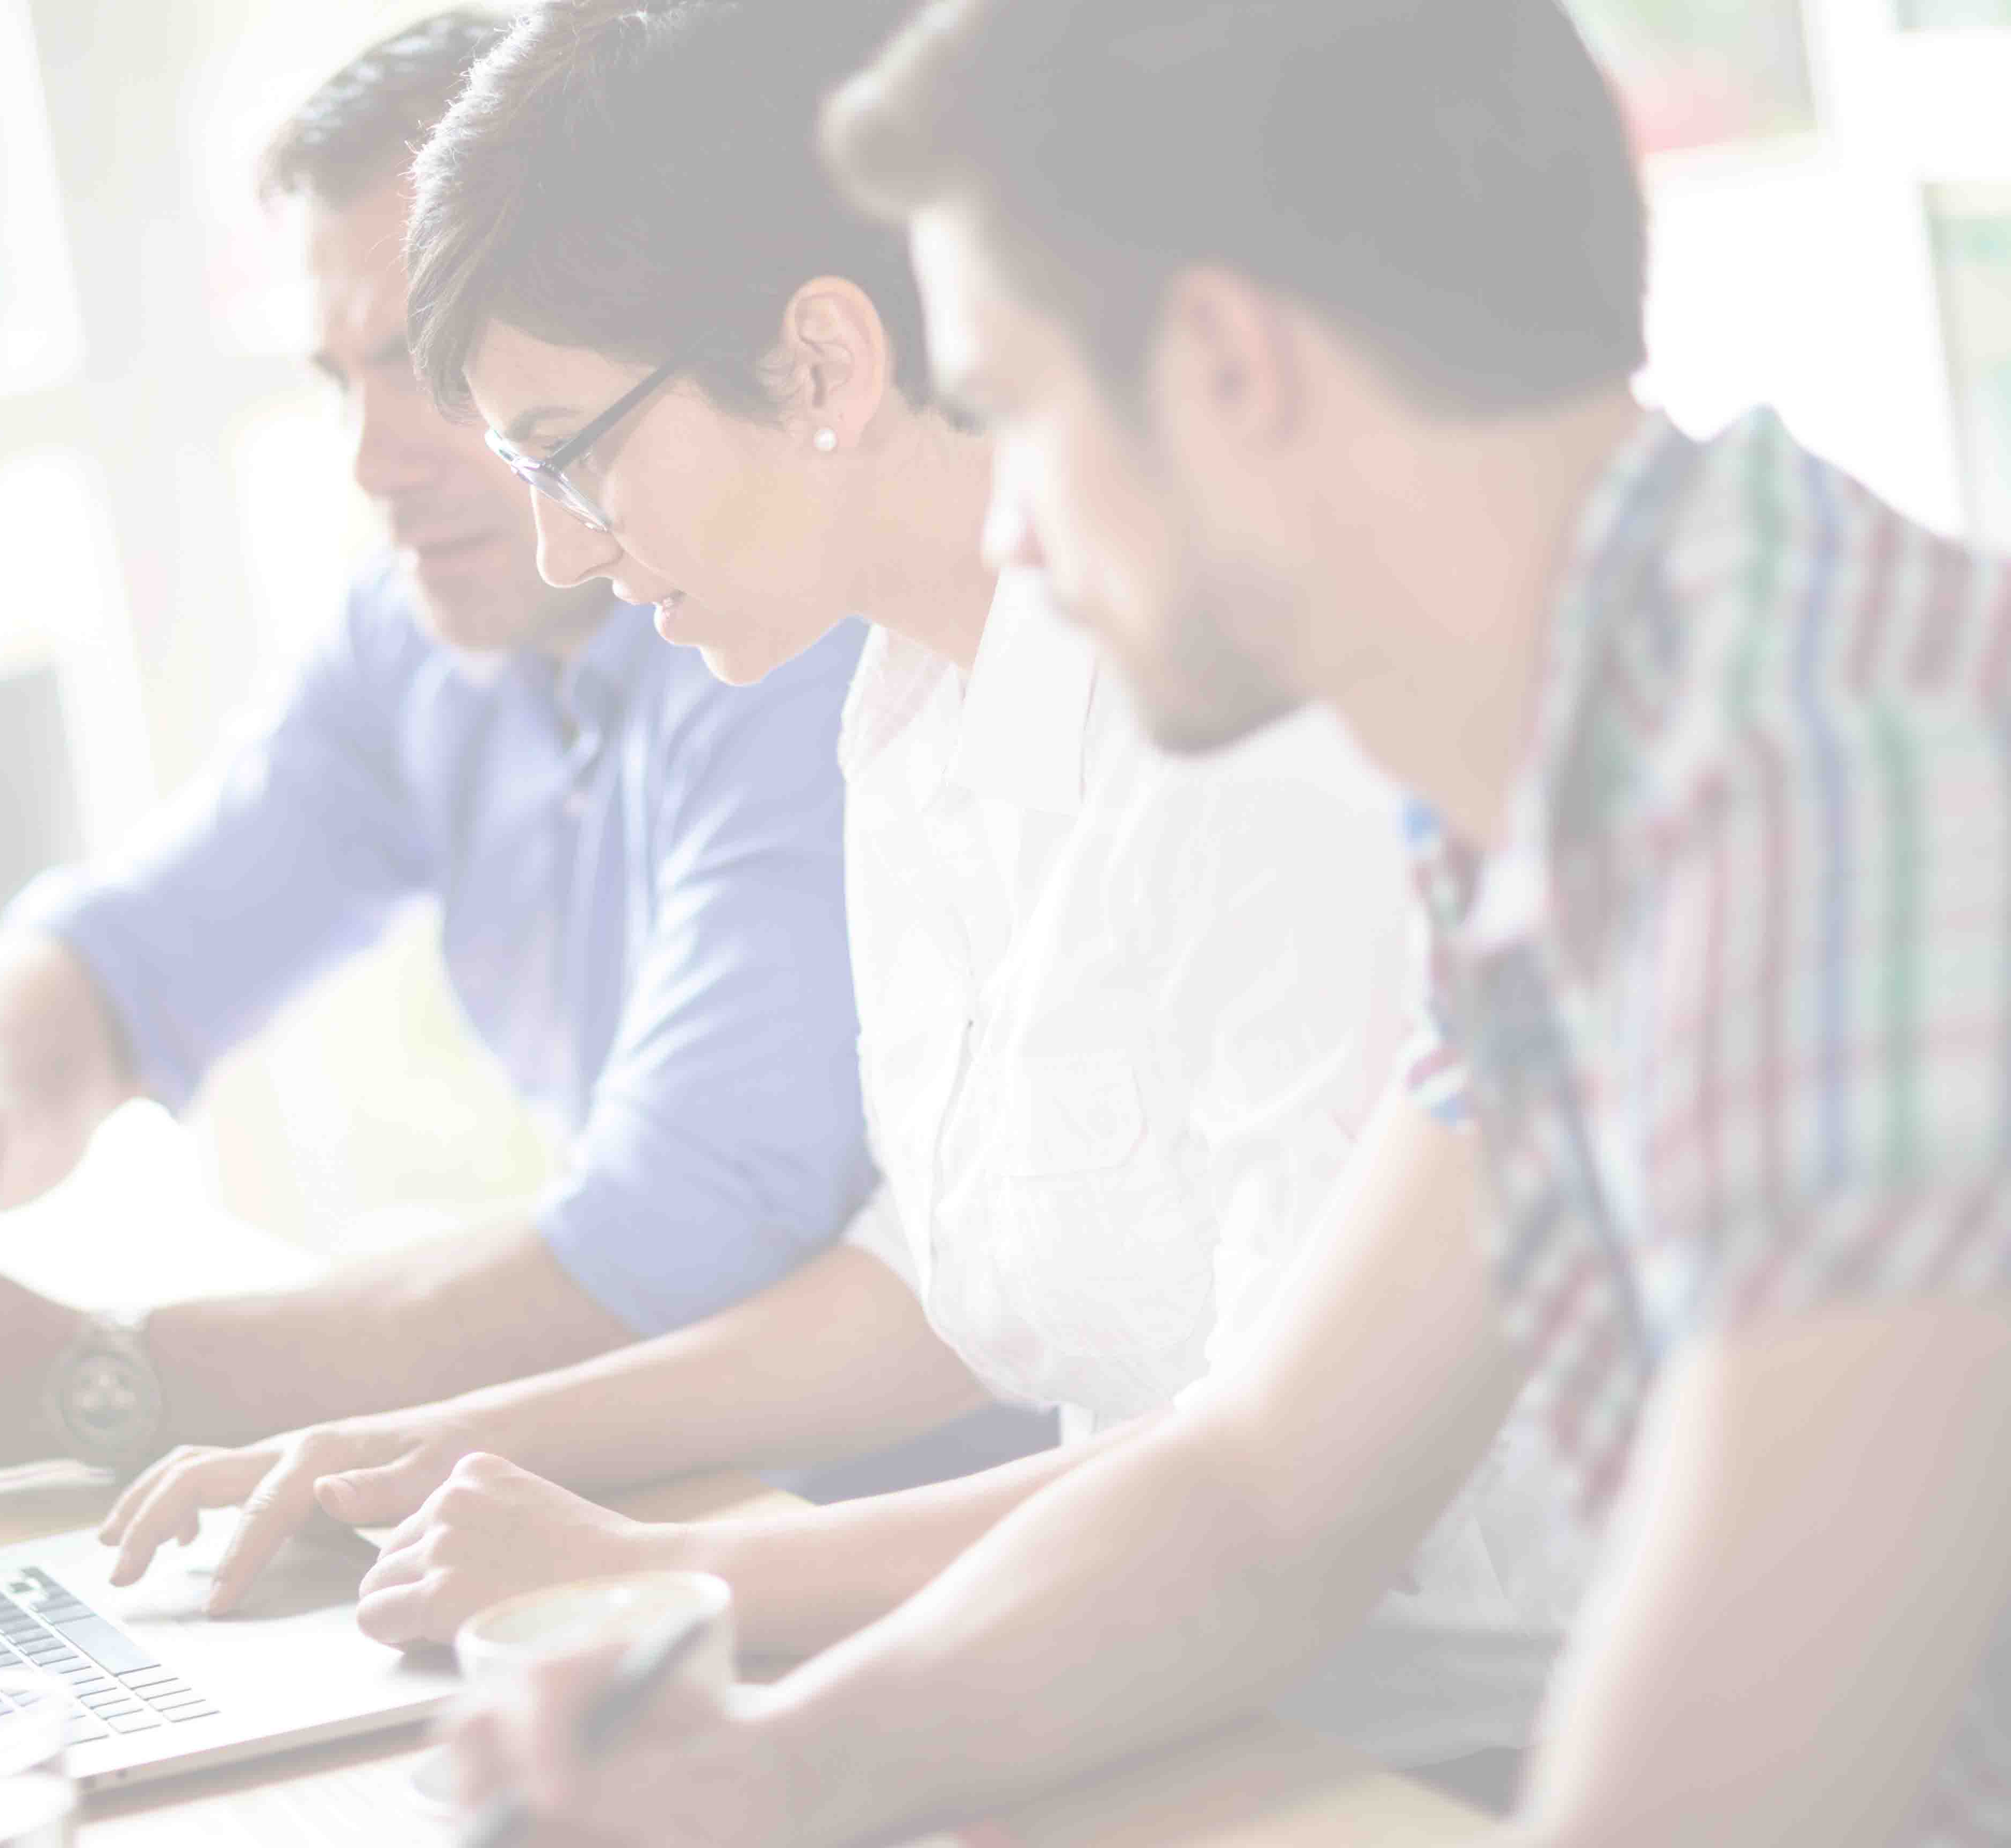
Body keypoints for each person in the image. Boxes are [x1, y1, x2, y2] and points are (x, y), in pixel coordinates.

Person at [439, 1, 2011, 1843]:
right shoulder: (1593, 748)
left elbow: (1729, 1793)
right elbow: (1270, 1492)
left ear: (1230, 367)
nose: (1009, 537)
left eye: (1013, 410)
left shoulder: (1828, 789)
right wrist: (780, 1770)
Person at [96, 0, 1575, 1799]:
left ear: (818, 366)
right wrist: (430, 1449)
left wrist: (663, 1572)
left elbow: (1278, 1482)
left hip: (1438, 1749)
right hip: (1147, 1703)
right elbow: (953, 1285)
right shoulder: (902, 705)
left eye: (569, 450)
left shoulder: (1264, 722)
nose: (560, 543)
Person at [0, 13, 928, 1605]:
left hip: (874, 1547)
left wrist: (99, 1376)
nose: (378, 457)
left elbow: (659, 1254)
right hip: (643, 1533)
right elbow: (117, 958)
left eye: (434, 367)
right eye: (343, 377)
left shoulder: (800, 641)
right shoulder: (428, 635)